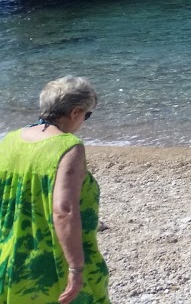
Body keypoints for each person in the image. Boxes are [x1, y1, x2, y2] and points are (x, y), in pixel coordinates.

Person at [0, 76, 110, 304]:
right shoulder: (68, 147)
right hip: (53, 258)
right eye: (87, 115)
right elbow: (64, 211)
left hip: (11, 255)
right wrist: (76, 268)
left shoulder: (9, 141)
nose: (84, 121)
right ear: (75, 112)